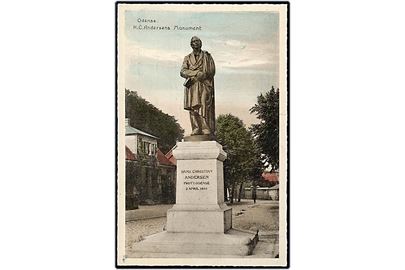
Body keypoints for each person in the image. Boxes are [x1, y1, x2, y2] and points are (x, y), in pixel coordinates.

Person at [180, 36, 216, 136]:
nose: (195, 43)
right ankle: (196, 128)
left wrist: (204, 74)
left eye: (197, 41)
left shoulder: (207, 56)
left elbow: (212, 70)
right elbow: (182, 71)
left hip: (204, 84)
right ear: (191, 45)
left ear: (201, 43)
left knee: (203, 104)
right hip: (192, 85)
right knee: (192, 107)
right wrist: (195, 73)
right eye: (193, 42)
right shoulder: (187, 58)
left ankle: (205, 127)